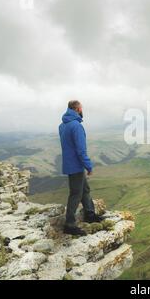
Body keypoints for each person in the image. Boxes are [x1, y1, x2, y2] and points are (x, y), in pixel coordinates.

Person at [59, 100, 103, 236]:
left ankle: (89, 214)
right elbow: (80, 149)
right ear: (77, 109)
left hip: (70, 163)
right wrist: (88, 166)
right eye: (81, 108)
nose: (82, 110)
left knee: (85, 189)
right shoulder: (76, 126)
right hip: (76, 165)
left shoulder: (62, 125)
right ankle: (70, 224)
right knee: (75, 194)